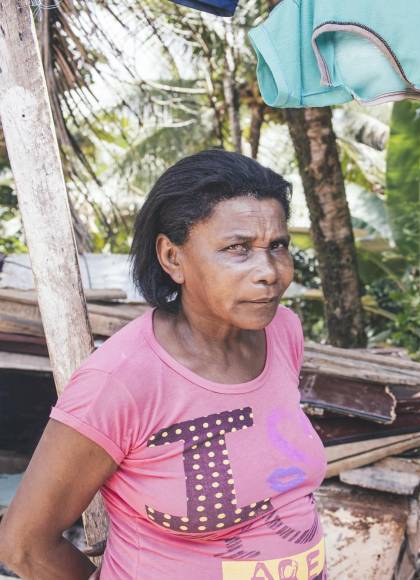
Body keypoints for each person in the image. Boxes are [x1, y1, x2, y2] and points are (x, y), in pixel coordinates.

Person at [0, 150, 327, 579]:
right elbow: (24, 544)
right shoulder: (122, 380)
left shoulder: (282, 331)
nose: (269, 271)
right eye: (238, 248)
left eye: (277, 246)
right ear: (173, 258)